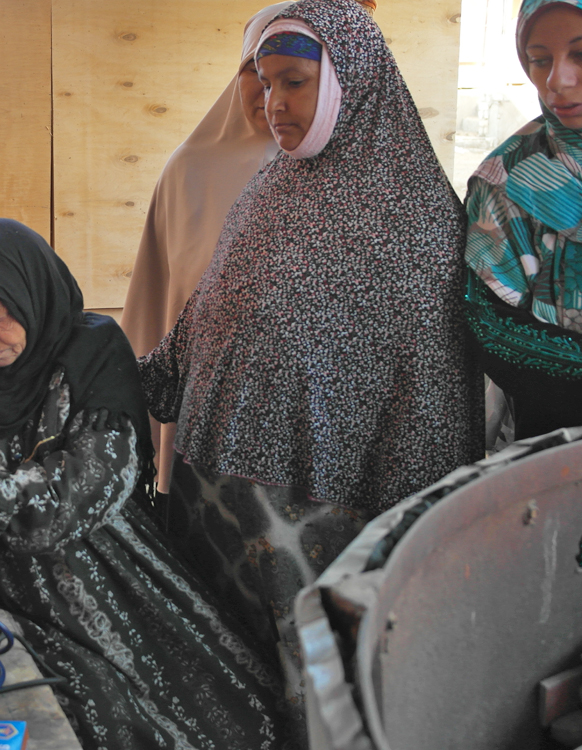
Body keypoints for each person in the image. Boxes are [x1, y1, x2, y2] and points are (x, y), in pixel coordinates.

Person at [137, 0, 481, 721]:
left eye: (293, 81)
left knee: (309, 714)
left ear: (351, 80)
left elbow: (430, 407)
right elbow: (202, 328)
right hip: (215, 516)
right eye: (265, 83)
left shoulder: (414, 217)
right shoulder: (270, 190)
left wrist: (401, 558)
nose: (274, 103)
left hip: (317, 535)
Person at [0, 218, 290, 750]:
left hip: (112, 585)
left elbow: (98, 480)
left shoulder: (90, 358)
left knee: (216, 720)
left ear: (32, 298)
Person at [120, 2, 292, 493]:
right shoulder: (189, 170)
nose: (269, 92)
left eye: (291, 79)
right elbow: (155, 305)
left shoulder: (329, 172)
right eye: (254, 71)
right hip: (201, 410)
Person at [465, 0, 582, 439]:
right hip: (562, 445)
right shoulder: (503, 184)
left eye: (580, 54)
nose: (557, 80)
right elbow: (493, 329)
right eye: (539, 60)